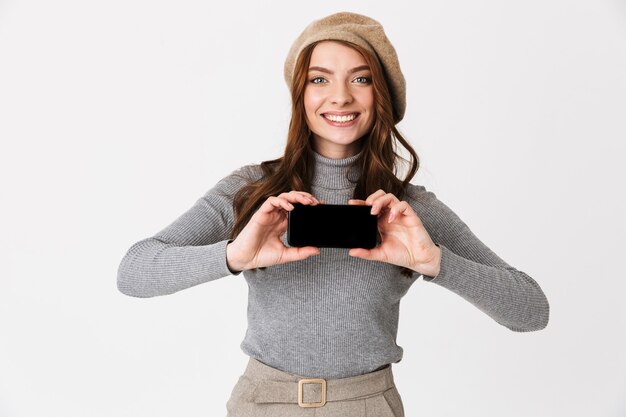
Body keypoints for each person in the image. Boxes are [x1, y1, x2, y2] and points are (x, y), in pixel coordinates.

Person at [117, 11, 549, 417]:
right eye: (319, 79)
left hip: (368, 405)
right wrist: (233, 256)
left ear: (382, 95)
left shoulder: (406, 211)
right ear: (300, 93)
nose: (340, 96)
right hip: (263, 402)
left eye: (360, 79)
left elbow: (532, 310)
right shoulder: (251, 192)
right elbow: (133, 271)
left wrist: (436, 263)